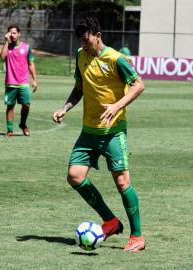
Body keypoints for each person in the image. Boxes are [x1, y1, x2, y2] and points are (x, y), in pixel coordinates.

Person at [52, 17, 146, 252]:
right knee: (74, 175)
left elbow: (138, 85)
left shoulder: (116, 59)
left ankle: (137, 237)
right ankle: (111, 221)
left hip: (113, 132)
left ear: (98, 35)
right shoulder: (81, 56)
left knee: (122, 182)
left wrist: (117, 106)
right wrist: (65, 108)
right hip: (89, 131)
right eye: (81, 42)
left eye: (87, 41)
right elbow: (79, 88)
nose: (84, 46)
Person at [0, 25, 37, 137]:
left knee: (26, 104)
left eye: (14, 33)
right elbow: (2, 57)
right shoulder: (7, 47)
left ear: (19, 34)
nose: (12, 35)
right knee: (10, 106)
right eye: (10, 33)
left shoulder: (26, 47)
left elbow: (30, 63)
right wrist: (6, 42)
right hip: (10, 82)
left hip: (23, 83)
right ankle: (10, 129)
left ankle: (23, 124)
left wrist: (35, 79)